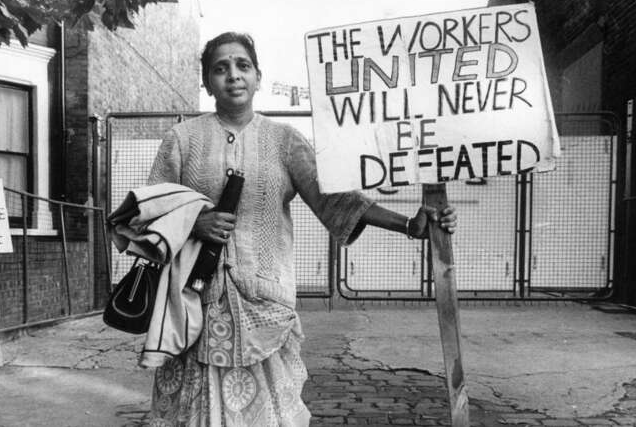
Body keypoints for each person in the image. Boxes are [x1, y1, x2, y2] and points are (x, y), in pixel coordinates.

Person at [145, 31, 457, 426]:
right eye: (220, 69)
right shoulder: (181, 140)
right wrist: (194, 222)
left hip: (264, 305)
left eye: (243, 66)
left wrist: (410, 226)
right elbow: (149, 212)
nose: (233, 76)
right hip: (193, 305)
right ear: (207, 83)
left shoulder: (284, 141)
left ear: (258, 76)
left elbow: (337, 200)